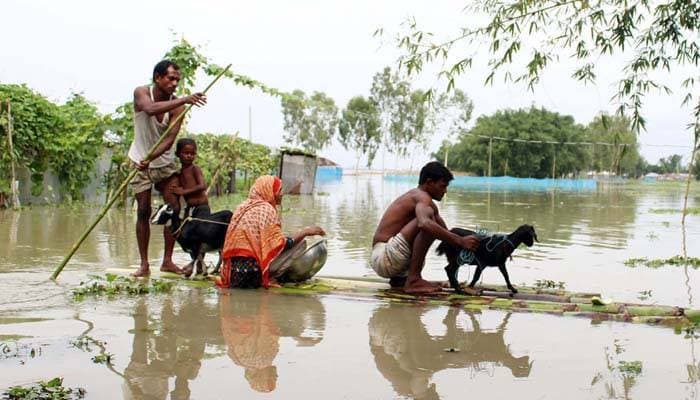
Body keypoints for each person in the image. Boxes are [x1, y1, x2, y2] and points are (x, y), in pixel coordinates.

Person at [128, 60, 207, 277]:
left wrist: (151, 156)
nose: (174, 83)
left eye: (177, 80)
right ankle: (144, 265)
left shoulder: (178, 107)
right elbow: (151, 109)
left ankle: (167, 261)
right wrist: (186, 98)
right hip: (139, 162)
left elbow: (170, 139)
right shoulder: (141, 92)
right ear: (157, 78)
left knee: (173, 209)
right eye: (170, 78)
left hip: (163, 163)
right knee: (143, 211)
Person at [370, 161, 480, 294]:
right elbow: (424, 224)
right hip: (383, 257)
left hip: (393, 261)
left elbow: (446, 234)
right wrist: (460, 241)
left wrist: (479, 243)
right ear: (429, 182)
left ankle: (403, 280)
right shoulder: (421, 197)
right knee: (429, 223)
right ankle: (414, 280)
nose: (445, 191)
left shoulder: (428, 205)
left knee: (436, 226)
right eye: (443, 186)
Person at [218, 175, 325, 289]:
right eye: (278, 190)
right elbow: (282, 244)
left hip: (234, 274)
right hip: (253, 275)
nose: (281, 194)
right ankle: (269, 277)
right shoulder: (266, 209)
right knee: (301, 244)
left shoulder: (242, 207)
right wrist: (306, 231)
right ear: (268, 191)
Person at [173, 138, 209, 218]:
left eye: (192, 154)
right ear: (177, 154)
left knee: (201, 227)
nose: (189, 156)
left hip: (201, 207)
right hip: (190, 208)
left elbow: (202, 186)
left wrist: (184, 192)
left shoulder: (194, 169)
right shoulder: (179, 173)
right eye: (186, 153)